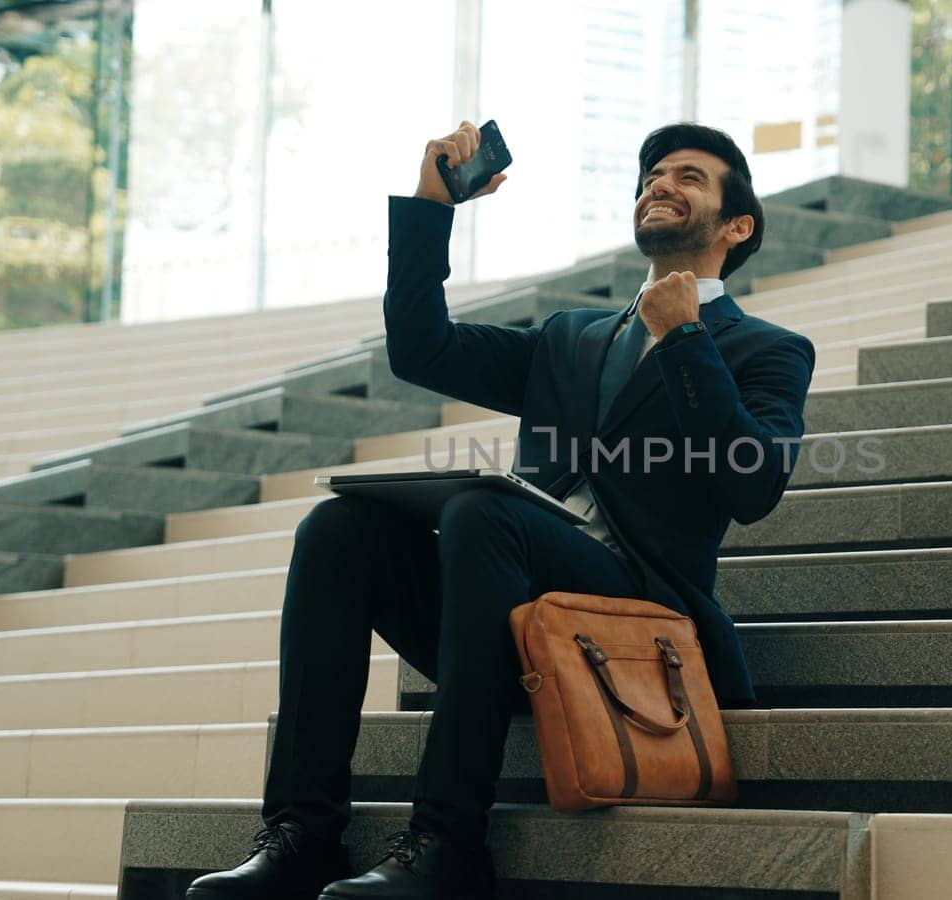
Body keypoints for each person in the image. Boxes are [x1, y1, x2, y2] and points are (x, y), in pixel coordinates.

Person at [186, 120, 815, 900]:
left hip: (635, 621)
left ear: (737, 225)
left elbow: (752, 488)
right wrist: (431, 205)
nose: (661, 183)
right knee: (340, 527)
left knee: (488, 510)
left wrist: (686, 336)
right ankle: (303, 832)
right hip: (509, 608)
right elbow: (422, 349)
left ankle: (447, 842)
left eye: (689, 177)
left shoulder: (769, 350)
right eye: (653, 174)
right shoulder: (570, 339)